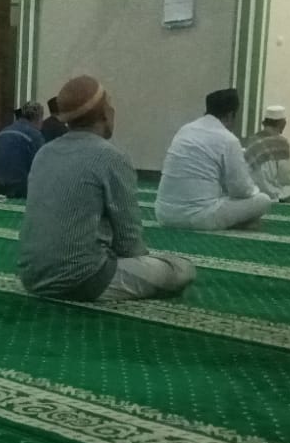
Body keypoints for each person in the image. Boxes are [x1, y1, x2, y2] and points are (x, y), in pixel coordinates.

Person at [18, 75, 195, 302]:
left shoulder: (44, 153)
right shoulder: (111, 157)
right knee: (181, 268)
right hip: (84, 280)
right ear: (104, 114)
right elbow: (129, 241)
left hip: (31, 278)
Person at [154, 87, 272, 230]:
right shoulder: (228, 139)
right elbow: (241, 190)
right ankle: (240, 222)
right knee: (263, 200)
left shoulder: (185, 130)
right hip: (199, 218)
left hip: (164, 214)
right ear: (230, 115)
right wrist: (255, 189)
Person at [243, 104, 290, 202]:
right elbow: (285, 178)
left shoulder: (252, 140)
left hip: (256, 192)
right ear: (282, 123)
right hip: (276, 193)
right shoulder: (281, 142)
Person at [0, 101, 44, 199]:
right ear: (38, 118)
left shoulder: (3, 132)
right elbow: (42, 166)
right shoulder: (35, 136)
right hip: (21, 189)